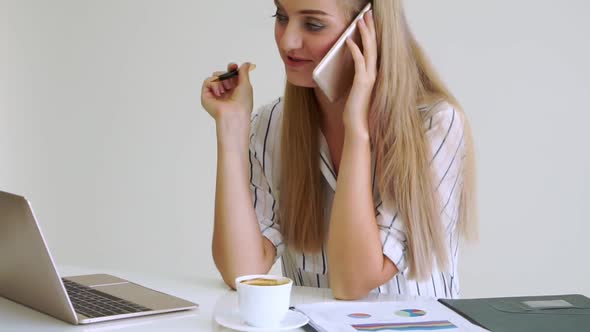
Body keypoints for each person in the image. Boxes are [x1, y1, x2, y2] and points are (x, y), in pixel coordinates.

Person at [200, 0, 477, 300]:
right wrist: (231, 129)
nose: (288, 41)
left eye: (313, 24)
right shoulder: (271, 126)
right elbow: (242, 273)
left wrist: (357, 131)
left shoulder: (434, 126)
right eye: (281, 16)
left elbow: (351, 283)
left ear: (367, 27)